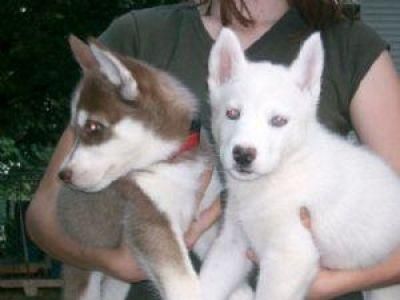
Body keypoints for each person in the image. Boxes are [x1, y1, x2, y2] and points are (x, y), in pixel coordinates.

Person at [26, 0, 400, 299]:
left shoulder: (349, 47)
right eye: (233, 113)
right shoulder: (141, 37)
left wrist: (333, 283)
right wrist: (117, 263)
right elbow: (43, 215)